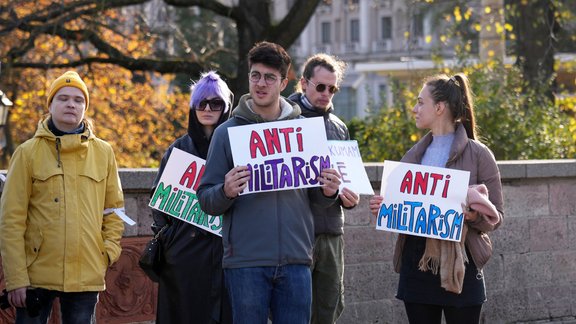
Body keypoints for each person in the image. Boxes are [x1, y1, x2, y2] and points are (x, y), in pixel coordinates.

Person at [197, 41, 342, 324]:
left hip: (297, 261)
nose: (260, 83)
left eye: (269, 77)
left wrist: (329, 192)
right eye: (255, 75)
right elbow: (205, 199)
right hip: (246, 264)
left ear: (284, 83)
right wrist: (225, 190)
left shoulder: (304, 132)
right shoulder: (226, 133)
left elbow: (315, 198)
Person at [369, 73, 503, 324]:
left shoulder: (479, 154)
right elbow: (403, 209)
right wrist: (384, 207)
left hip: (461, 263)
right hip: (416, 263)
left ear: (439, 108)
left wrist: (474, 216)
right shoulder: (414, 155)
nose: (414, 108)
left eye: (421, 102)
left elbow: (497, 217)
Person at [0, 71, 125, 323]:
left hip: (87, 273)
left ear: (85, 107)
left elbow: (114, 210)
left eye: (79, 100)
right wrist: (17, 279)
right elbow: (11, 220)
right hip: (36, 276)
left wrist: (107, 252)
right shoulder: (27, 153)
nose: (71, 104)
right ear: (51, 106)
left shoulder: (104, 152)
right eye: (63, 98)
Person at [150, 71, 233, 324]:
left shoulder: (236, 147)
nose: (207, 108)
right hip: (184, 258)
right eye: (201, 102)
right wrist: (171, 241)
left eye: (215, 103)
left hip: (226, 254)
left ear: (226, 107)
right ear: (193, 106)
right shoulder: (178, 149)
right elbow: (159, 202)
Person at [288, 53, 359, 324]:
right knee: (294, 310)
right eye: (320, 87)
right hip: (297, 231)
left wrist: (350, 198)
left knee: (330, 307)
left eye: (333, 88)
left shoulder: (339, 127)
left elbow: (348, 182)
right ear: (304, 83)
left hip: (331, 232)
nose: (327, 93)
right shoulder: (286, 119)